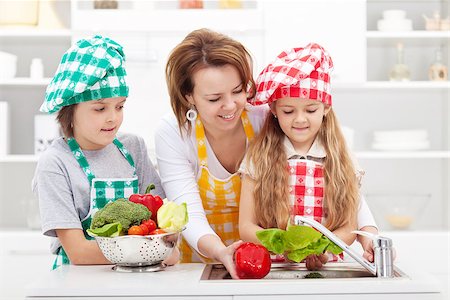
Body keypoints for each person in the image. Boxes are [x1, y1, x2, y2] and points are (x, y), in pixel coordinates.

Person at [238, 43, 378, 270]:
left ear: (326, 108)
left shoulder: (343, 159)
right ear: (273, 110)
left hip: (330, 269)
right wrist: (283, 244)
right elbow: (246, 226)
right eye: (288, 111)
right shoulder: (258, 158)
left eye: (310, 110)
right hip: (272, 269)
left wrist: (322, 249)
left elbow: (348, 226)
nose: (300, 119)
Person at [32, 35, 168, 269]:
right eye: (99, 108)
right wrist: (152, 252)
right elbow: (80, 253)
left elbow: (162, 223)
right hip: (78, 282)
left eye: (120, 106)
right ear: (70, 110)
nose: (112, 118)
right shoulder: (55, 163)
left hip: (137, 278)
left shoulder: (132, 148)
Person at [155, 28, 268, 278]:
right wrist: (221, 251)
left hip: (261, 262)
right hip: (196, 265)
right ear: (189, 97)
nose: (230, 105)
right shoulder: (174, 132)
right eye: (215, 98)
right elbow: (188, 212)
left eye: (238, 91)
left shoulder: (263, 119)